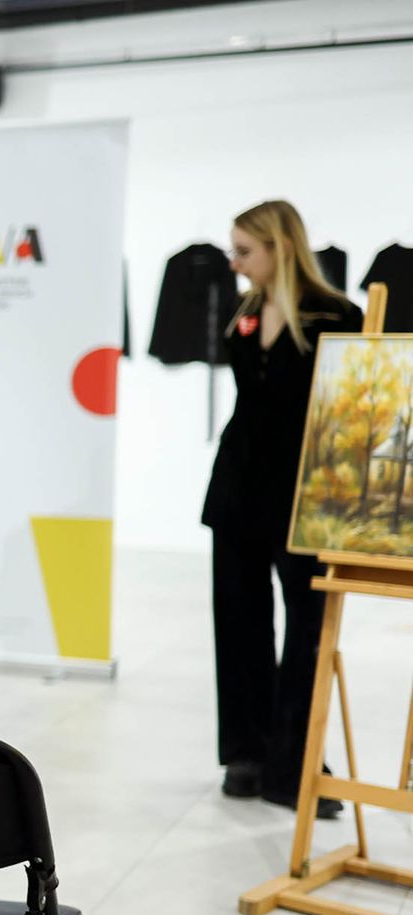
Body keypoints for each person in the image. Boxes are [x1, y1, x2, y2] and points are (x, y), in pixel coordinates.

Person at [203, 200, 363, 817]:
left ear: (282, 247)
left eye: (245, 251)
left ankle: (295, 764)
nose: (235, 263)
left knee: (306, 631)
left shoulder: (338, 316)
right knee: (239, 621)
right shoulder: (243, 311)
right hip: (238, 487)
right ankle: (245, 753)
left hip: (308, 493)